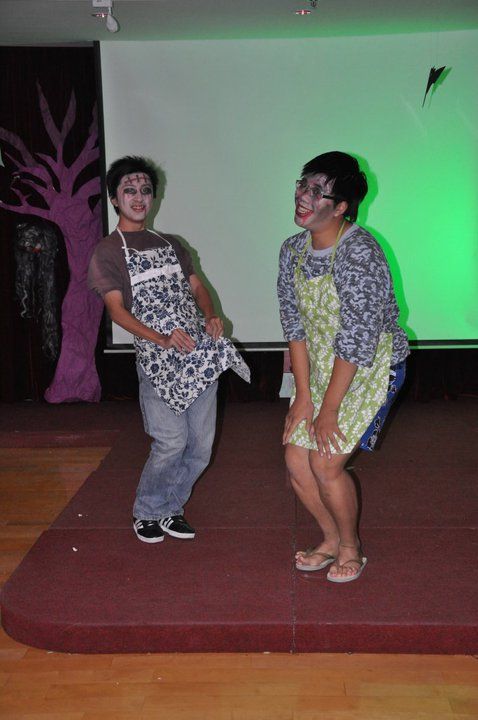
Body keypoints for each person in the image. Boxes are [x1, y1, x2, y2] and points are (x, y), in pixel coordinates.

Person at [88, 156, 249, 544]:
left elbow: (197, 288)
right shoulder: (108, 251)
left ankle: (170, 507)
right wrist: (160, 339)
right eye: (129, 190)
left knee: (201, 447)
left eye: (145, 190)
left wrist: (211, 316)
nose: (139, 197)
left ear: (153, 197)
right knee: (171, 442)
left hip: (198, 356)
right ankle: (147, 510)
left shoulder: (171, 244)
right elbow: (117, 311)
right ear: (114, 199)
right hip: (158, 360)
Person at [277, 151, 409, 583]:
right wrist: (303, 396)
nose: (304, 196)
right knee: (296, 459)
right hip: (319, 366)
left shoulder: (361, 253)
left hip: (370, 367)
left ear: (340, 208)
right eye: (303, 184)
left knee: (325, 462)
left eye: (318, 191)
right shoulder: (292, 251)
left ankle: (351, 547)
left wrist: (328, 409)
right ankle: (331, 538)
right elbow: (294, 327)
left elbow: (357, 341)